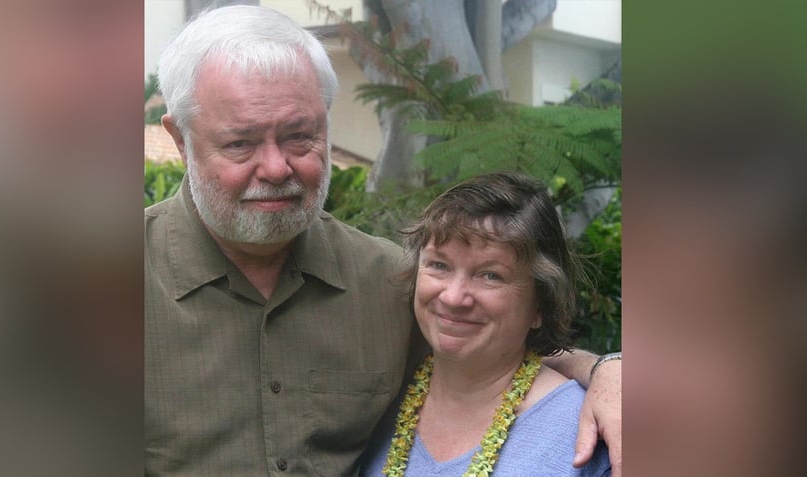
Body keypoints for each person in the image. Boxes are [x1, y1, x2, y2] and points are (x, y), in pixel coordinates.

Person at [145, 5, 621, 476]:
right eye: (240, 144)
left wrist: (606, 372)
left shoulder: (390, 282)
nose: (275, 169)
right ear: (181, 140)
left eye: (298, 137)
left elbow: (501, 341)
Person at [361, 172, 611, 476]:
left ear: (540, 306)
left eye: (490, 275)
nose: (453, 297)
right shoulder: (379, 397)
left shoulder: (588, 429)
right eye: (439, 265)